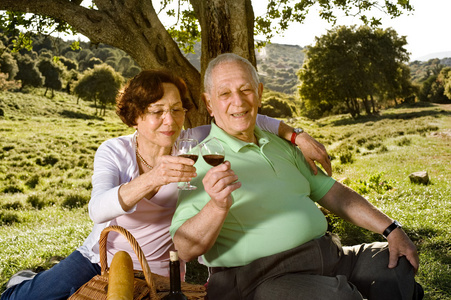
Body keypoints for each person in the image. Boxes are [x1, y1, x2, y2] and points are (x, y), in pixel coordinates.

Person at [1, 69, 331, 300]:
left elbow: (244, 114)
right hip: (102, 257)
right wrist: (155, 177)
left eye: (176, 110)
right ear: (136, 115)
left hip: (162, 270)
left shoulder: (192, 141)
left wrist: (296, 135)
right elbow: (98, 210)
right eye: (156, 111)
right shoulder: (114, 151)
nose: (169, 121)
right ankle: (26, 279)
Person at [170, 53, 423, 300]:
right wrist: (216, 206)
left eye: (245, 90)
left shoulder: (281, 145)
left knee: (394, 263)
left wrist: (391, 229)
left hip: (329, 256)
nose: (238, 101)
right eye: (225, 93)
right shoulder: (200, 161)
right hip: (259, 278)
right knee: (337, 296)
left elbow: (333, 193)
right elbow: (185, 248)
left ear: (259, 92)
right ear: (209, 103)